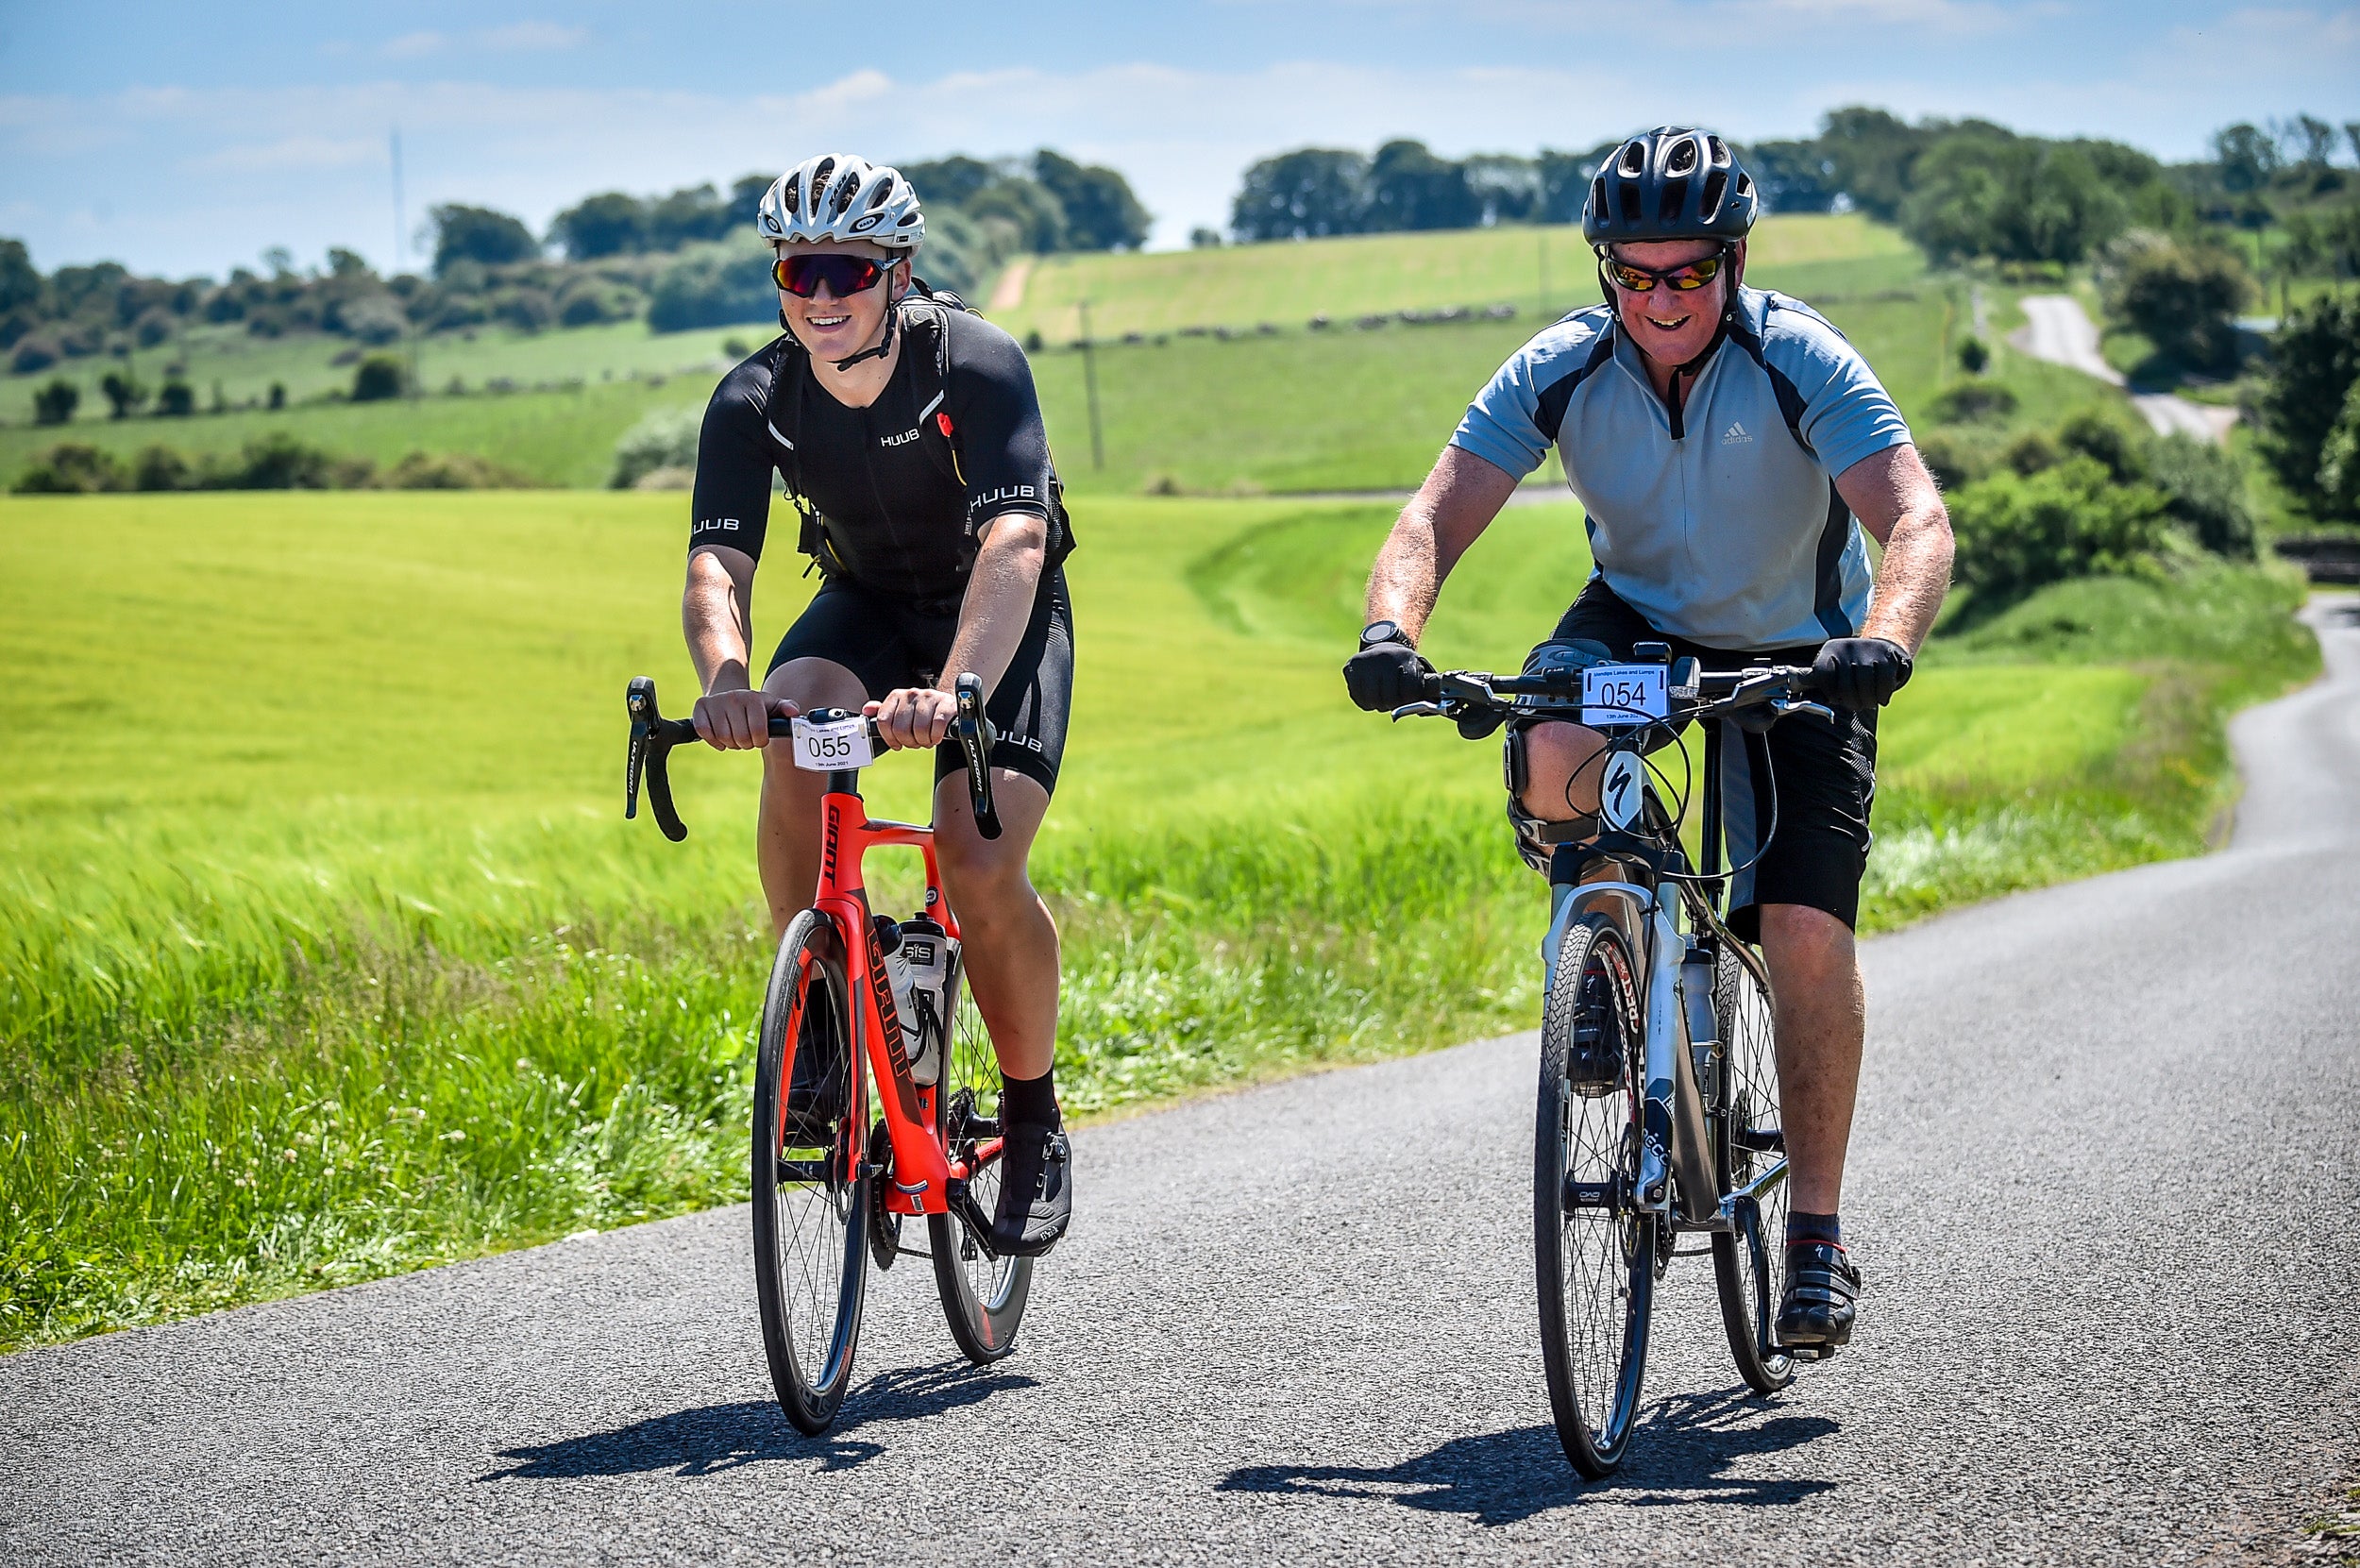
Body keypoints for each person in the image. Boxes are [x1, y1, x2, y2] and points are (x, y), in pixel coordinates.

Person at [1343, 126, 1953, 1354]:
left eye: (1688, 272)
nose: (1660, 297)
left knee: (1804, 935)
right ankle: (1608, 952)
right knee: (1548, 743)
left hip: (1802, 651)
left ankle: (1816, 1240)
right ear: (1604, 271)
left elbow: (1915, 518)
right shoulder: (1561, 367)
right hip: (1637, 629)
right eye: (1634, 274)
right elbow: (1433, 515)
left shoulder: (1798, 356)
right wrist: (1388, 629)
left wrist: (1883, 640)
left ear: (1734, 264)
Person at [682, 153, 1075, 1257]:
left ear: (897, 273)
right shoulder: (754, 399)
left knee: (975, 859)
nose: (820, 295)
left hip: (997, 614)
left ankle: (1032, 1121)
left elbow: (1016, 540)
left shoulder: (974, 363)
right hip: (865, 603)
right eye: (798, 270)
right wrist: (725, 683)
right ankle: (815, 1014)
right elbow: (717, 566)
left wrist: (953, 693)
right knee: (792, 717)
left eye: (845, 271)